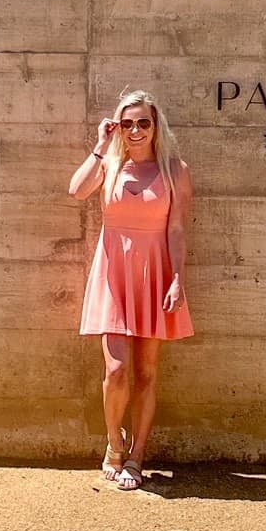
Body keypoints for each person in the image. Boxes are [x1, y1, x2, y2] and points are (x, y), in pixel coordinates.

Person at [68, 89, 193, 491]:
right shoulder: (110, 165)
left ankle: (138, 456)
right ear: (118, 127)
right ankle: (113, 445)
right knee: (116, 370)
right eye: (128, 123)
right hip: (114, 273)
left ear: (156, 126)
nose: (136, 130)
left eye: (143, 122)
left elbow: (176, 230)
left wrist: (177, 279)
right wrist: (102, 145)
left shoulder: (175, 170)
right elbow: (76, 190)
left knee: (147, 373)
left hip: (155, 272)